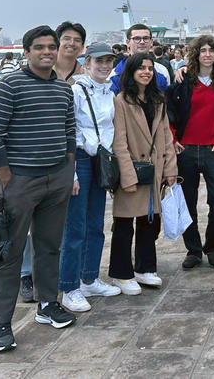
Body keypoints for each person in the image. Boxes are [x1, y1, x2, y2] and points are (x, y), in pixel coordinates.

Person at [0, 25, 77, 353]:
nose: (47, 52)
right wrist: (8, 178)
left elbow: (69, 130)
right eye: (39, 47)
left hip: (56, 179)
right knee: (8, 252)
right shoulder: (9, 85)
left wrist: (67, 168)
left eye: (52, 46)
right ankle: (1, 324)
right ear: (27, 52)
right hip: (19, 182)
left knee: (50, 247)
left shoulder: (64, 90)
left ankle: (48, 304)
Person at [58, 43, 122, 313]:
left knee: (96, 223)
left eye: (109, 61)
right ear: (87, 64)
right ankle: (69, 286)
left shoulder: (109, 91)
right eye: (99, 61)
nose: (105, 66)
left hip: (100, 159)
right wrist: (70, 172)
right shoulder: (76, 91)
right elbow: (67, 131)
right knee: (75, 227)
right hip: (81, 159)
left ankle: (89, 277)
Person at [109, 54, 177, 294]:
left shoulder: (158, 100)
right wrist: (127, 176)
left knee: (150, 220)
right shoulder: (121, 101)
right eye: (141, 68)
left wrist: (170, 168)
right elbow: (119, 141)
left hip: (154, 169)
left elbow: (166, 136)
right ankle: (121, 272)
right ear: (131, 72)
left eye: (149, 68)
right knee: (125, 223)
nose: (146, 72)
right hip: (132, 168)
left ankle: (145, 267)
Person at [167, 35, 214, 269]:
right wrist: (173, 138)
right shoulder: (184, 78)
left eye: (211, 50)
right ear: (196, 54)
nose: (207, 54)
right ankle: (193, 250)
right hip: (187, 150)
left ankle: (212, 246)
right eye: (202, 50)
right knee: (188, 201)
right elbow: (170, 110)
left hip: (213, 150)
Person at [110, 24, 170, 93]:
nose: (142, 42)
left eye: (146, 38)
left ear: (151, 42)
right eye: (137, 38)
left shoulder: (162, 70)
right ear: (128, 42)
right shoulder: (114, 74)